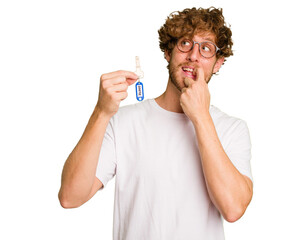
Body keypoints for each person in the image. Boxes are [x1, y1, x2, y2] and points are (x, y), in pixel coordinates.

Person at [58, 7, 253, 240]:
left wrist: (201, 117)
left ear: (218, 63)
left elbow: (233, 209)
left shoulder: (232, 129)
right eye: (185, 44)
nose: (193, 55)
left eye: (206, 48)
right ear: (168, 52)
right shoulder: (123, 122)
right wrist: (101, 112)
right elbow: (70, 197)